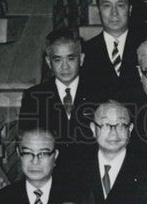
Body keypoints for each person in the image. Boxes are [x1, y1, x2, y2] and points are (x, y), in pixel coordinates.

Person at [67, 100, 147, 204]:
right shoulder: (74, 171)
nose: (113, 133)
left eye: (120, 125)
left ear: (130, 129)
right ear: (93, 129)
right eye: (106, 125)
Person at [18, 27, 93, 164]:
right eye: (57, 60)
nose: (65, 67)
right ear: (48, 62)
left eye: (71, 58)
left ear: (81, 59)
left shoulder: (98, 93)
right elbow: (28, 144)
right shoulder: (33, 97)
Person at [81, 0, 144, 104]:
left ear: (130, 9)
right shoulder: (84, 51)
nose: (114, 13)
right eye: (107, 5)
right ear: (98, 9)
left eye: (120, 5)